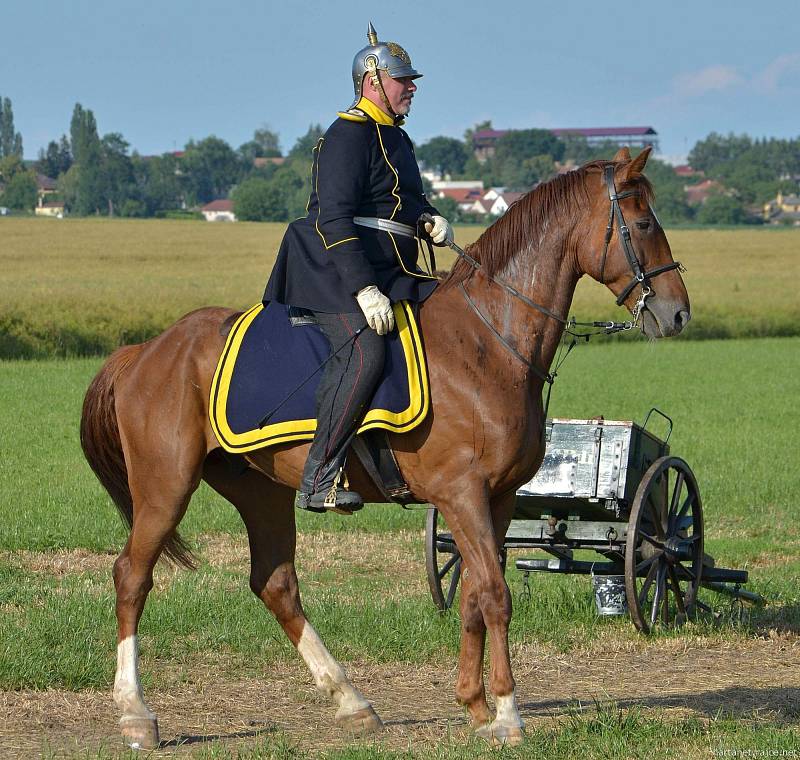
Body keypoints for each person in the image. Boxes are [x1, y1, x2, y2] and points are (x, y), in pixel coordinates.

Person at [263, 22, 453, 513]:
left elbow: (403, 197)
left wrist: (427, 217)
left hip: (394, 270)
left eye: (411, 80)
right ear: (373, 82)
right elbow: (334, 217)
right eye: (402, 80)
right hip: (331, 271)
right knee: (365, 351)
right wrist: (366, 291)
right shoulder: (346, 134)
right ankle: (319, 477)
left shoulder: (396, 138)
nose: (412, 87)